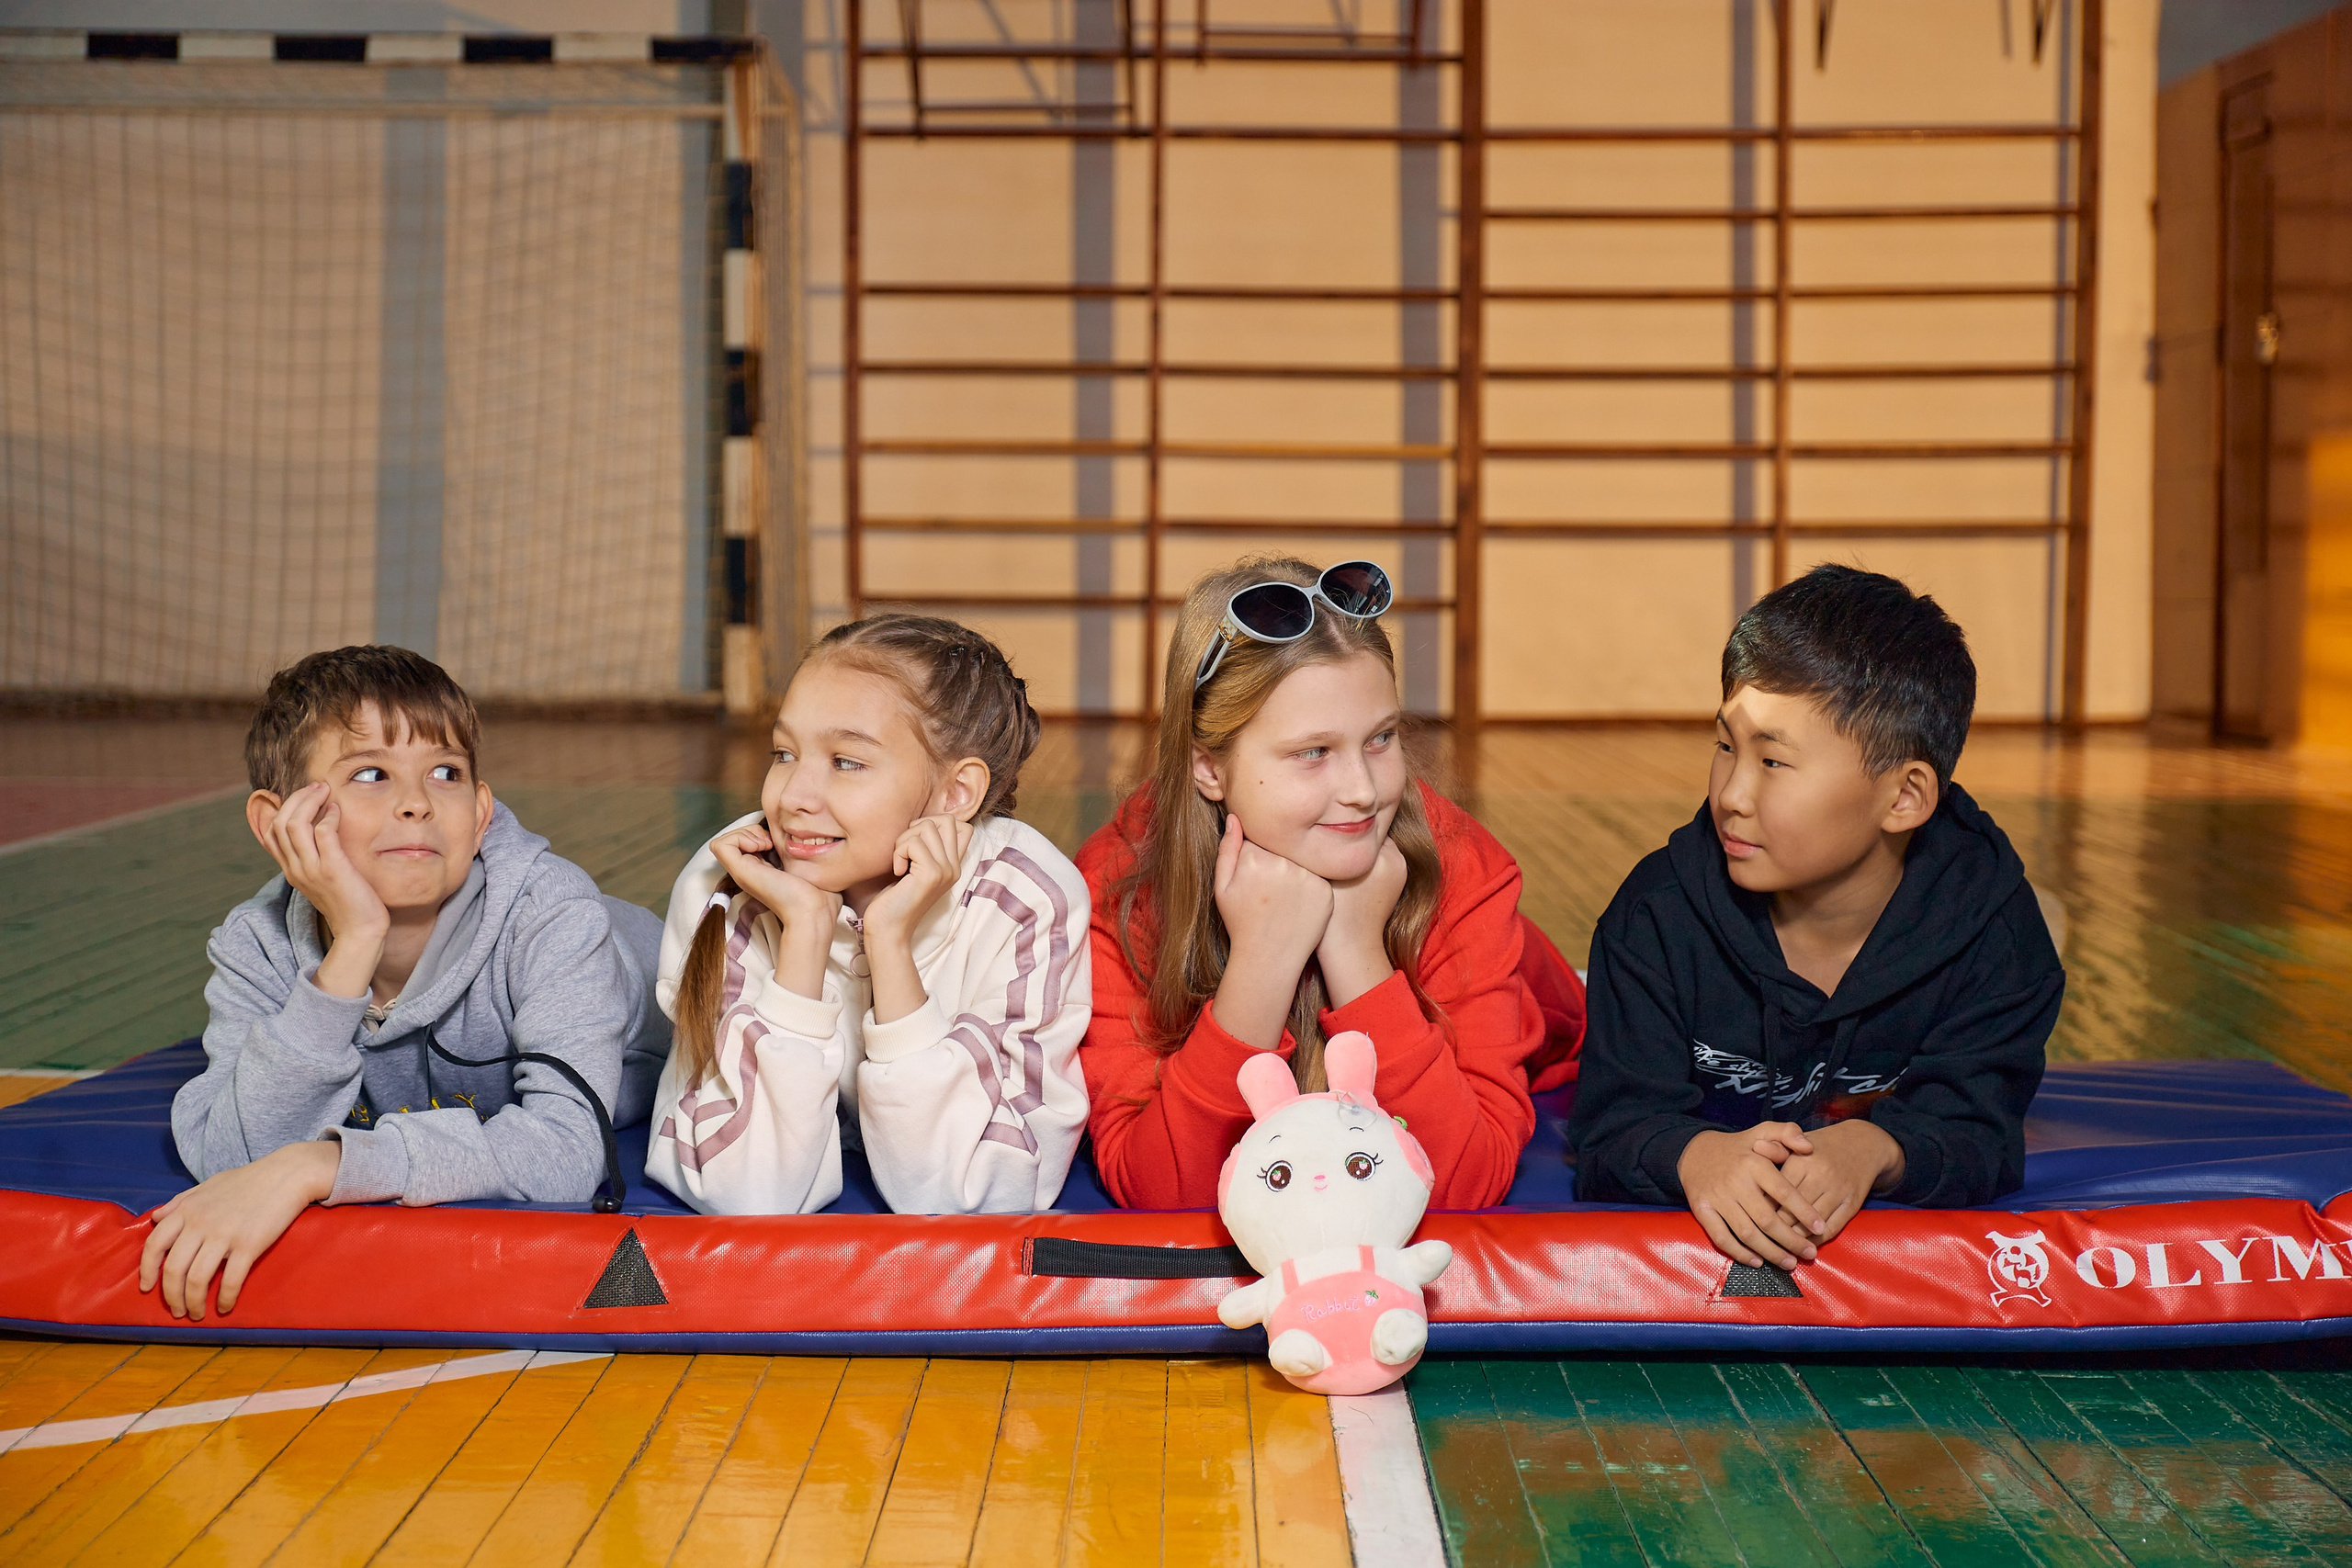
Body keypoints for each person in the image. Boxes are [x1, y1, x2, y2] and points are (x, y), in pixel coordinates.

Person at [148, 645, 668, 1320]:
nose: (417, 802)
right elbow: (235, 1156)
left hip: (705, 1001)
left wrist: (320, 1166)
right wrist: (355, 945)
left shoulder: (552, 916)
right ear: (276, 822)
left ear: (481, 812)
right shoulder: (258, 943)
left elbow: (569, 1150)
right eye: (371, 773)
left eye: (445, 772)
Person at [1569, 564, 2064, 1269]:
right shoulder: (1655, 917)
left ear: (1905, 797)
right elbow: (1609, 1124)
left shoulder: (1997, 937)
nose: (1733, 793)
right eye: (1725, 746)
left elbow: (1979, 1132)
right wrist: (1694, 1154)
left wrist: (1877, 1149)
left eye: (1773, 761)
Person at [1079, 556, 1586, 1211]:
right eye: (1312, 751)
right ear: (1209, 769)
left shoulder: (1464, 866)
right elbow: (1163, 1192)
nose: (1363, 791)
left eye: (1380, 738)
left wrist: (1357, 952)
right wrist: (1262, 962)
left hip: (1559, 1019)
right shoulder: (1118, 886)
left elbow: (1464, 1185)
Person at [646, 615, 1090, 1215]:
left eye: (846, 762)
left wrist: (888, 939)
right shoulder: (720, 882)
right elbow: (748, 1197)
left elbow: (972, 1196)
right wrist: (805, 933)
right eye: (784, 752)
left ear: (956, 793)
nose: (793, 796)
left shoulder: (1028, 897)